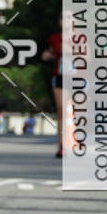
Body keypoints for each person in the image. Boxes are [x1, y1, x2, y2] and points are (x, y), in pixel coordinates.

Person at [42, 14, 63, 157]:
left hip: (77, 77)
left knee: (79, 111)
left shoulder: (81, 37)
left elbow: (89, 56)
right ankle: (62, 145)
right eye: (63, 19)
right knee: (61, 111)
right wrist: (48, 55)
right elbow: (48, 53)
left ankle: (80, 142)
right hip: (60, 76)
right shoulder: (55, 39)